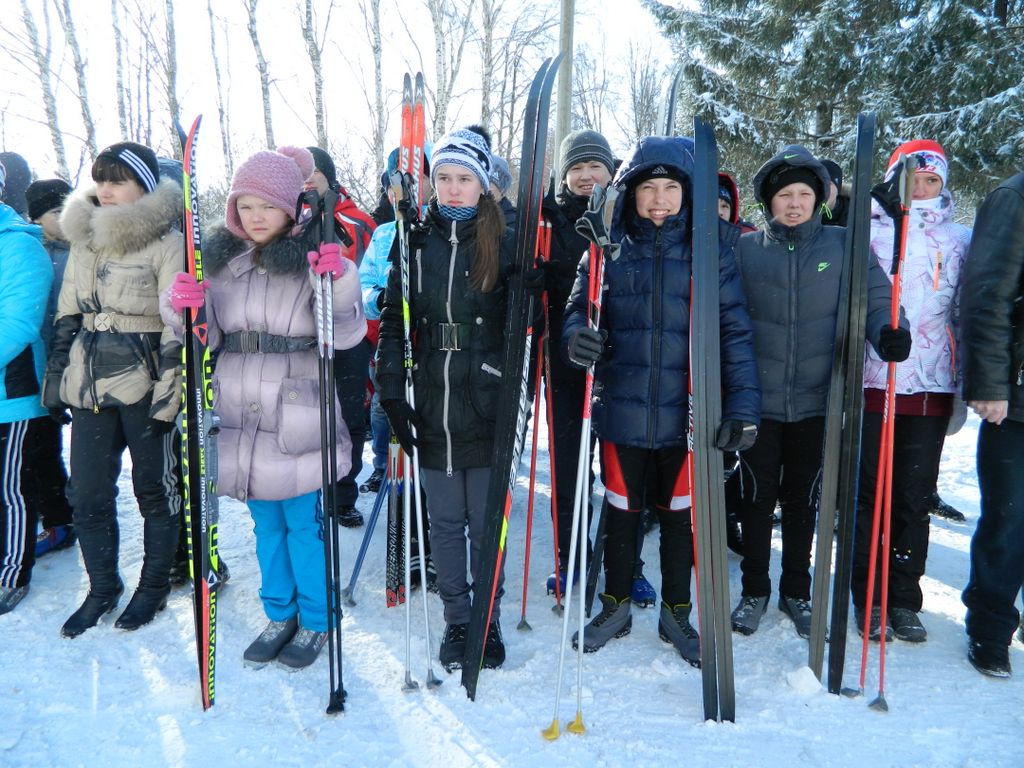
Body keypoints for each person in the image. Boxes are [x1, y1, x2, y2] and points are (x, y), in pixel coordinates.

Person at [165, 146, 366, 669]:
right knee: (264, 525)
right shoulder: (222, 265)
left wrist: (338, 280)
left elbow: (344, 335)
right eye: (246, 205)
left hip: (296, 405)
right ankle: (279, 611)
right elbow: (203, 341)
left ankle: (318, 619)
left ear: (290, 210)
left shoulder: (311, 260)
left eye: (267, 207)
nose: (255, 217)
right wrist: (181, 306)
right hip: (239, 409)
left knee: (304, 525)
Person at [562, 135, 760, 666]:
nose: (658, 199)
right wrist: (578, 337)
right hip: (623, 405)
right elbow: (576, 313)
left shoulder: (710, 249)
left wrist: (742, 407)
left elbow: (735, 332)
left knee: (679, 515)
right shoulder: (606, 246)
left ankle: (677, 613)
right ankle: (615, 605)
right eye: (648, 187)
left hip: (687, 411)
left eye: (671, 188)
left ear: (687, 193)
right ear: (629, 192)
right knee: (622, 510)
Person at [729, 146, 903, 639]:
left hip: (819, 398)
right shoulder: (744, 250)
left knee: (804, 500)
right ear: (769, 200)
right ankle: (755, 589)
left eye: (805, 193)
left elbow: (875, 295)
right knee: (757, 499)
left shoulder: (844, 244)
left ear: (819, 199)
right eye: (784, 194)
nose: (795, 202)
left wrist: (890, 329)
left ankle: (796, 590)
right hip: (756, 399)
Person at [376, 125, 518, 671]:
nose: (453, 188)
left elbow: (525, 315)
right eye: (444, 178)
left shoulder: (504, 239)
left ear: (483, 184)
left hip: (486, 393)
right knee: (443, 522)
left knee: (485, 522)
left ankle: (488, 616)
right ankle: (458, 618)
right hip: (430, 393)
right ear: (432, 183)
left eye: (464, 178)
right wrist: (391, 388)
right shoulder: (412, 238)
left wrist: (533, 283)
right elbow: (393, 319)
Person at [42, 142, 184, 637]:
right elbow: (67, 313)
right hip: (88, 381)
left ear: (143, 185)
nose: (106, 189)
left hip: (143, 379)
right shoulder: (83, 239)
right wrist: (58, 377)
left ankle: (154, 585)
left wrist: (171, 390)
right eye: (101, 178)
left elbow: (177, 325)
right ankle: (102, 587)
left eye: (119, 179)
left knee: (154, 490)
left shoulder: (167, 241)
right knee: (87, 494)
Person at [851, 139, 970, 643]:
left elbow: (969, 310)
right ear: (895, 178)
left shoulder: (959, 239)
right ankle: (867, 596)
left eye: (932, 180)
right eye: (912, 178)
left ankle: (903, 598)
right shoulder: (868, 232)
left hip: (930, 385)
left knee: (913, 499)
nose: (921, 189)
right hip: (875, 381)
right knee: (869, 497)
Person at [538, 129, 617, 598]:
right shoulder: (544, 222)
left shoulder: (625, 212)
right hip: (563, 363)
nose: (587, 176)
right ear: (564, 175)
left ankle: (623, 559)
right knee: (570, 467)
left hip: (619, 364)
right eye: (577, 168)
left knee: (621, 471)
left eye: (595, 167)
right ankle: (572, 558)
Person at [959, 171, 1024, 678]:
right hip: (1018, 397)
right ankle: (991, 627)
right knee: (1010, 518)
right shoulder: (1014, 197)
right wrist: (991, 383)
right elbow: (988, 295)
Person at [304, 145, 376, 528]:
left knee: (350, 419)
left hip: (350, 336)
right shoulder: (287, 224)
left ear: (328, 176)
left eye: (312, 171)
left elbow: (375, 273)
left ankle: (342, 494)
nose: (305, 179)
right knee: (303, 418)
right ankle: (308, 492)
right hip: (302, 339)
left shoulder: (358, 222)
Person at [0, 159, 54, 615]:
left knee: (10, 487)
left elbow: (16, 322)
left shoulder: (18, 248)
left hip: (10, 393)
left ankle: (12, 570)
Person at [23, 179, 77, 557]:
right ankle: (51, 514)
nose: (65, 217)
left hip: (72, 360)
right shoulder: (31, 251)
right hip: (35, 361)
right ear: (36, 218)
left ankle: (60, 519)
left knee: (47, 446)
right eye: (57, 212)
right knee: (38, 445)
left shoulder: (81, 252)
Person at [820, 158, 850, 227]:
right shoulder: (804, 213)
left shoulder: (855, 213)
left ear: (838, 188)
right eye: (818, 183)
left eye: (828, 184)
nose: (822, 188)